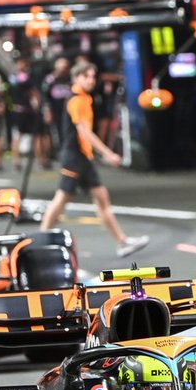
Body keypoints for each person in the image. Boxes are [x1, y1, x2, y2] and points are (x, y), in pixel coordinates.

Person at [40, 62, 148, 258]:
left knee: (101, 198)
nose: (90, 80)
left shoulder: (84, 98)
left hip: (84, 157)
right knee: (61, 199)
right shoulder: (76, 101)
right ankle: (40, 242)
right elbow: (84, 132)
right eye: (86, 76)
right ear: (76, 78)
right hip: (73, 157)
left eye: (92, 76)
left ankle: (122, 242)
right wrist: (108, 153)